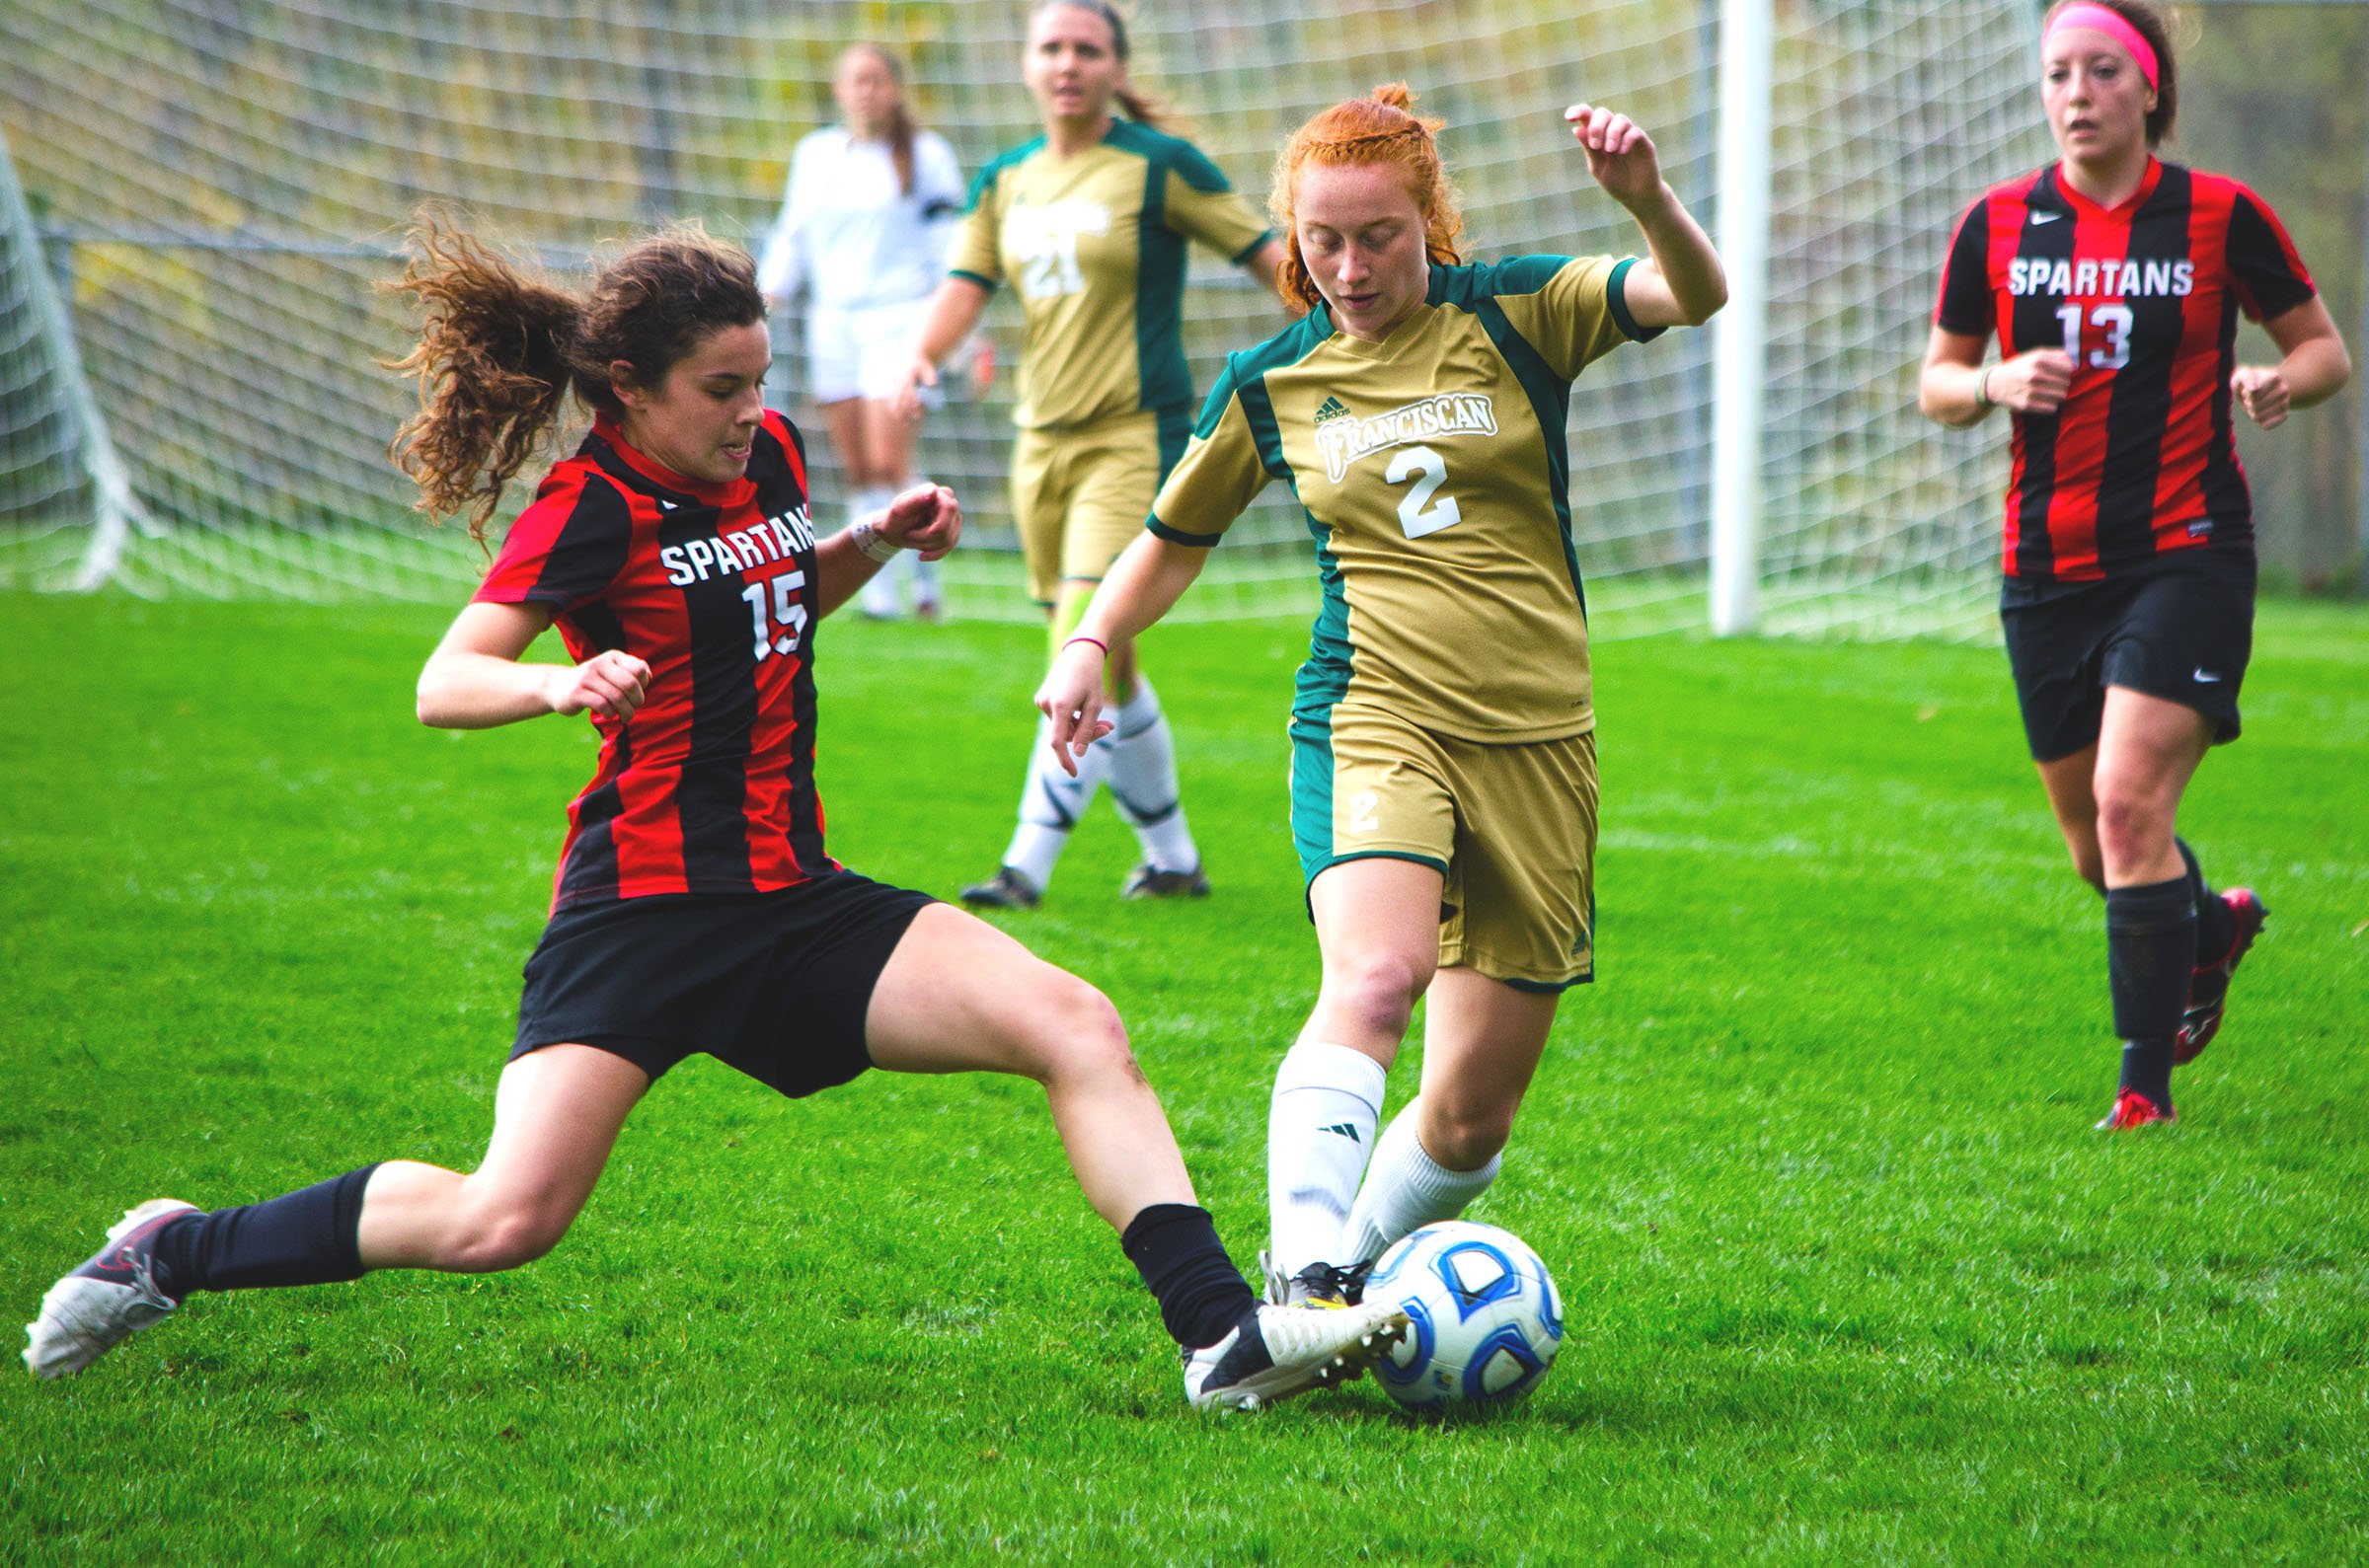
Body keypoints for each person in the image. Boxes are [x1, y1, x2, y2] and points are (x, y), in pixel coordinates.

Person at [22, 214, 1408, 1410]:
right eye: (720, 388)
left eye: (758, 381)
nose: (750, 411)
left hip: (793, 900)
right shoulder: (587, 507)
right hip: (641, 915)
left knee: (1077, 1023)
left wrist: (865, 542)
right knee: (504, 1217)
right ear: (627, 389)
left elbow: (774, 607)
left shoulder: (773, 463)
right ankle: (170, 1248)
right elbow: (447, 683)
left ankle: (1221, 1336)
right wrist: (561, 696)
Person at [1036, 86, 1724, 1306]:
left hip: (1539, 740)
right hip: (1372, 709)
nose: (1348, 268)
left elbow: (1696, 293)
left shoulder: (1521, 309)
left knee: (1469, 1119)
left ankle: (1346, 1264)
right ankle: (1300, 1280)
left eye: (1378, 237)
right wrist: (1090, 637)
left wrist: (1646, 203)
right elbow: (1173, 534)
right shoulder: (1274, 378)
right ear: (1293, 239)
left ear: (1430, 223)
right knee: (1374, 975)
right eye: (1322, 241)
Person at [1919, 0, 2349, 1130]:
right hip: (2045, 564)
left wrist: (2276, 382)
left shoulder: (2220, 215)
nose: (2077, 94)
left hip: (2188, 549)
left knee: (2126, 806)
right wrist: (1992, 384)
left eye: (2102, 71)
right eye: (2059, 72)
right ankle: (2210, 929)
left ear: (2151, 87)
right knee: (2095, 851)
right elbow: (1939, 382)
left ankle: (2142, 1093)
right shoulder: (1997, 225)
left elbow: (2323, 351)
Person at [894, 0, 1290, 911]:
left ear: (1116, 66)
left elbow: (1269, 258)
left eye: (1087, 48)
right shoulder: (1005, 180)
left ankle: (1022, 868)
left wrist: (1343, 334)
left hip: (1132, 436)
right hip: (1040, 445)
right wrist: (922, 354)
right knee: (1112, 664)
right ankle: (1175, 861)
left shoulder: (1160, 167)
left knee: (1077, 638)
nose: (1068, 62)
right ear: (1026, 65)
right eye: (1052, 48)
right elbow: (967, 286)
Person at [756, 42, 978, 622]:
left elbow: (949, 249)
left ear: (895, 88)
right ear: (839, 89)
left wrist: (954, 329)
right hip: (833, 323)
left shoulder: (926, 155)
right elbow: (792, 235)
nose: (866, 91)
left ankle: (924, 585)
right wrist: (761, 299)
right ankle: (879, 592)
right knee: (858, 466)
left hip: (900, 322)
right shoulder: (817, 155)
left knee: (888, 459)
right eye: (856, 80)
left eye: (877, 80)